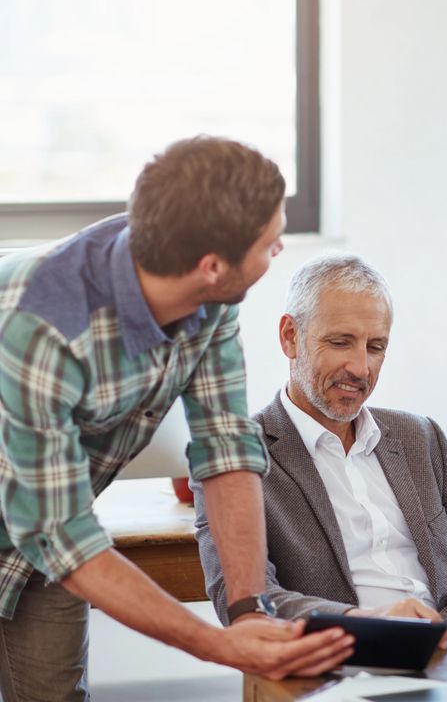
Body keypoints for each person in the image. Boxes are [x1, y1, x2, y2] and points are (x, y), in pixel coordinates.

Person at [0, 137, 353, 702]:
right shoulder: (45, 326)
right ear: (211, 265)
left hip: (45, 530)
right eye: (270, 243)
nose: (279, 247)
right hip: (45, 520)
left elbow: (227, 450)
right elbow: (59, 534)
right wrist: (216, 646)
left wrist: (246, 613)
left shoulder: (209, 297)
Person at [194, 254, 447, 641]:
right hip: (337, 664)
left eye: (376, 347)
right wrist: (372, 630)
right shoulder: (233, 456)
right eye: (341, 343)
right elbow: (246, 600)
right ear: (291, 337)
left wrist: (441, 642)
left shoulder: (421, 438)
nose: (360, 368)